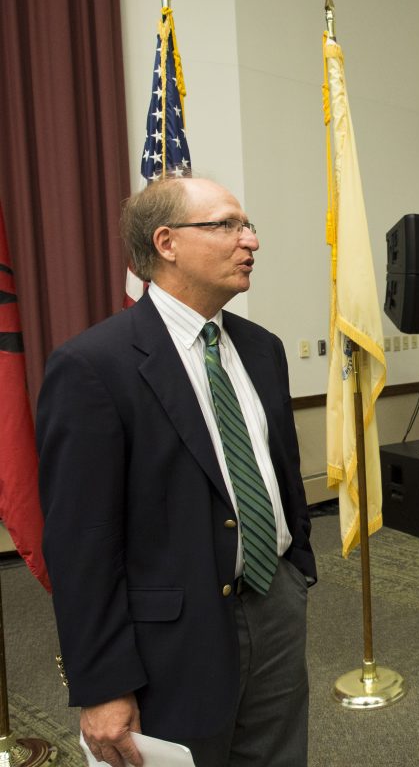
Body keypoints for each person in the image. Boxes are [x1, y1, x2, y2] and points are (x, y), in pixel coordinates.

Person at [37, 177, 317, 767]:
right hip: (171, 638)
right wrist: (103, 684)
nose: (251, 240)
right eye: (228, 225)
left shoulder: (261, 348)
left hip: (274, 607)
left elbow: (278, 472)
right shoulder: (92, 366)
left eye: (248, 225)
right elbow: (81, 543)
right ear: (166, 243)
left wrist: (295, 575)